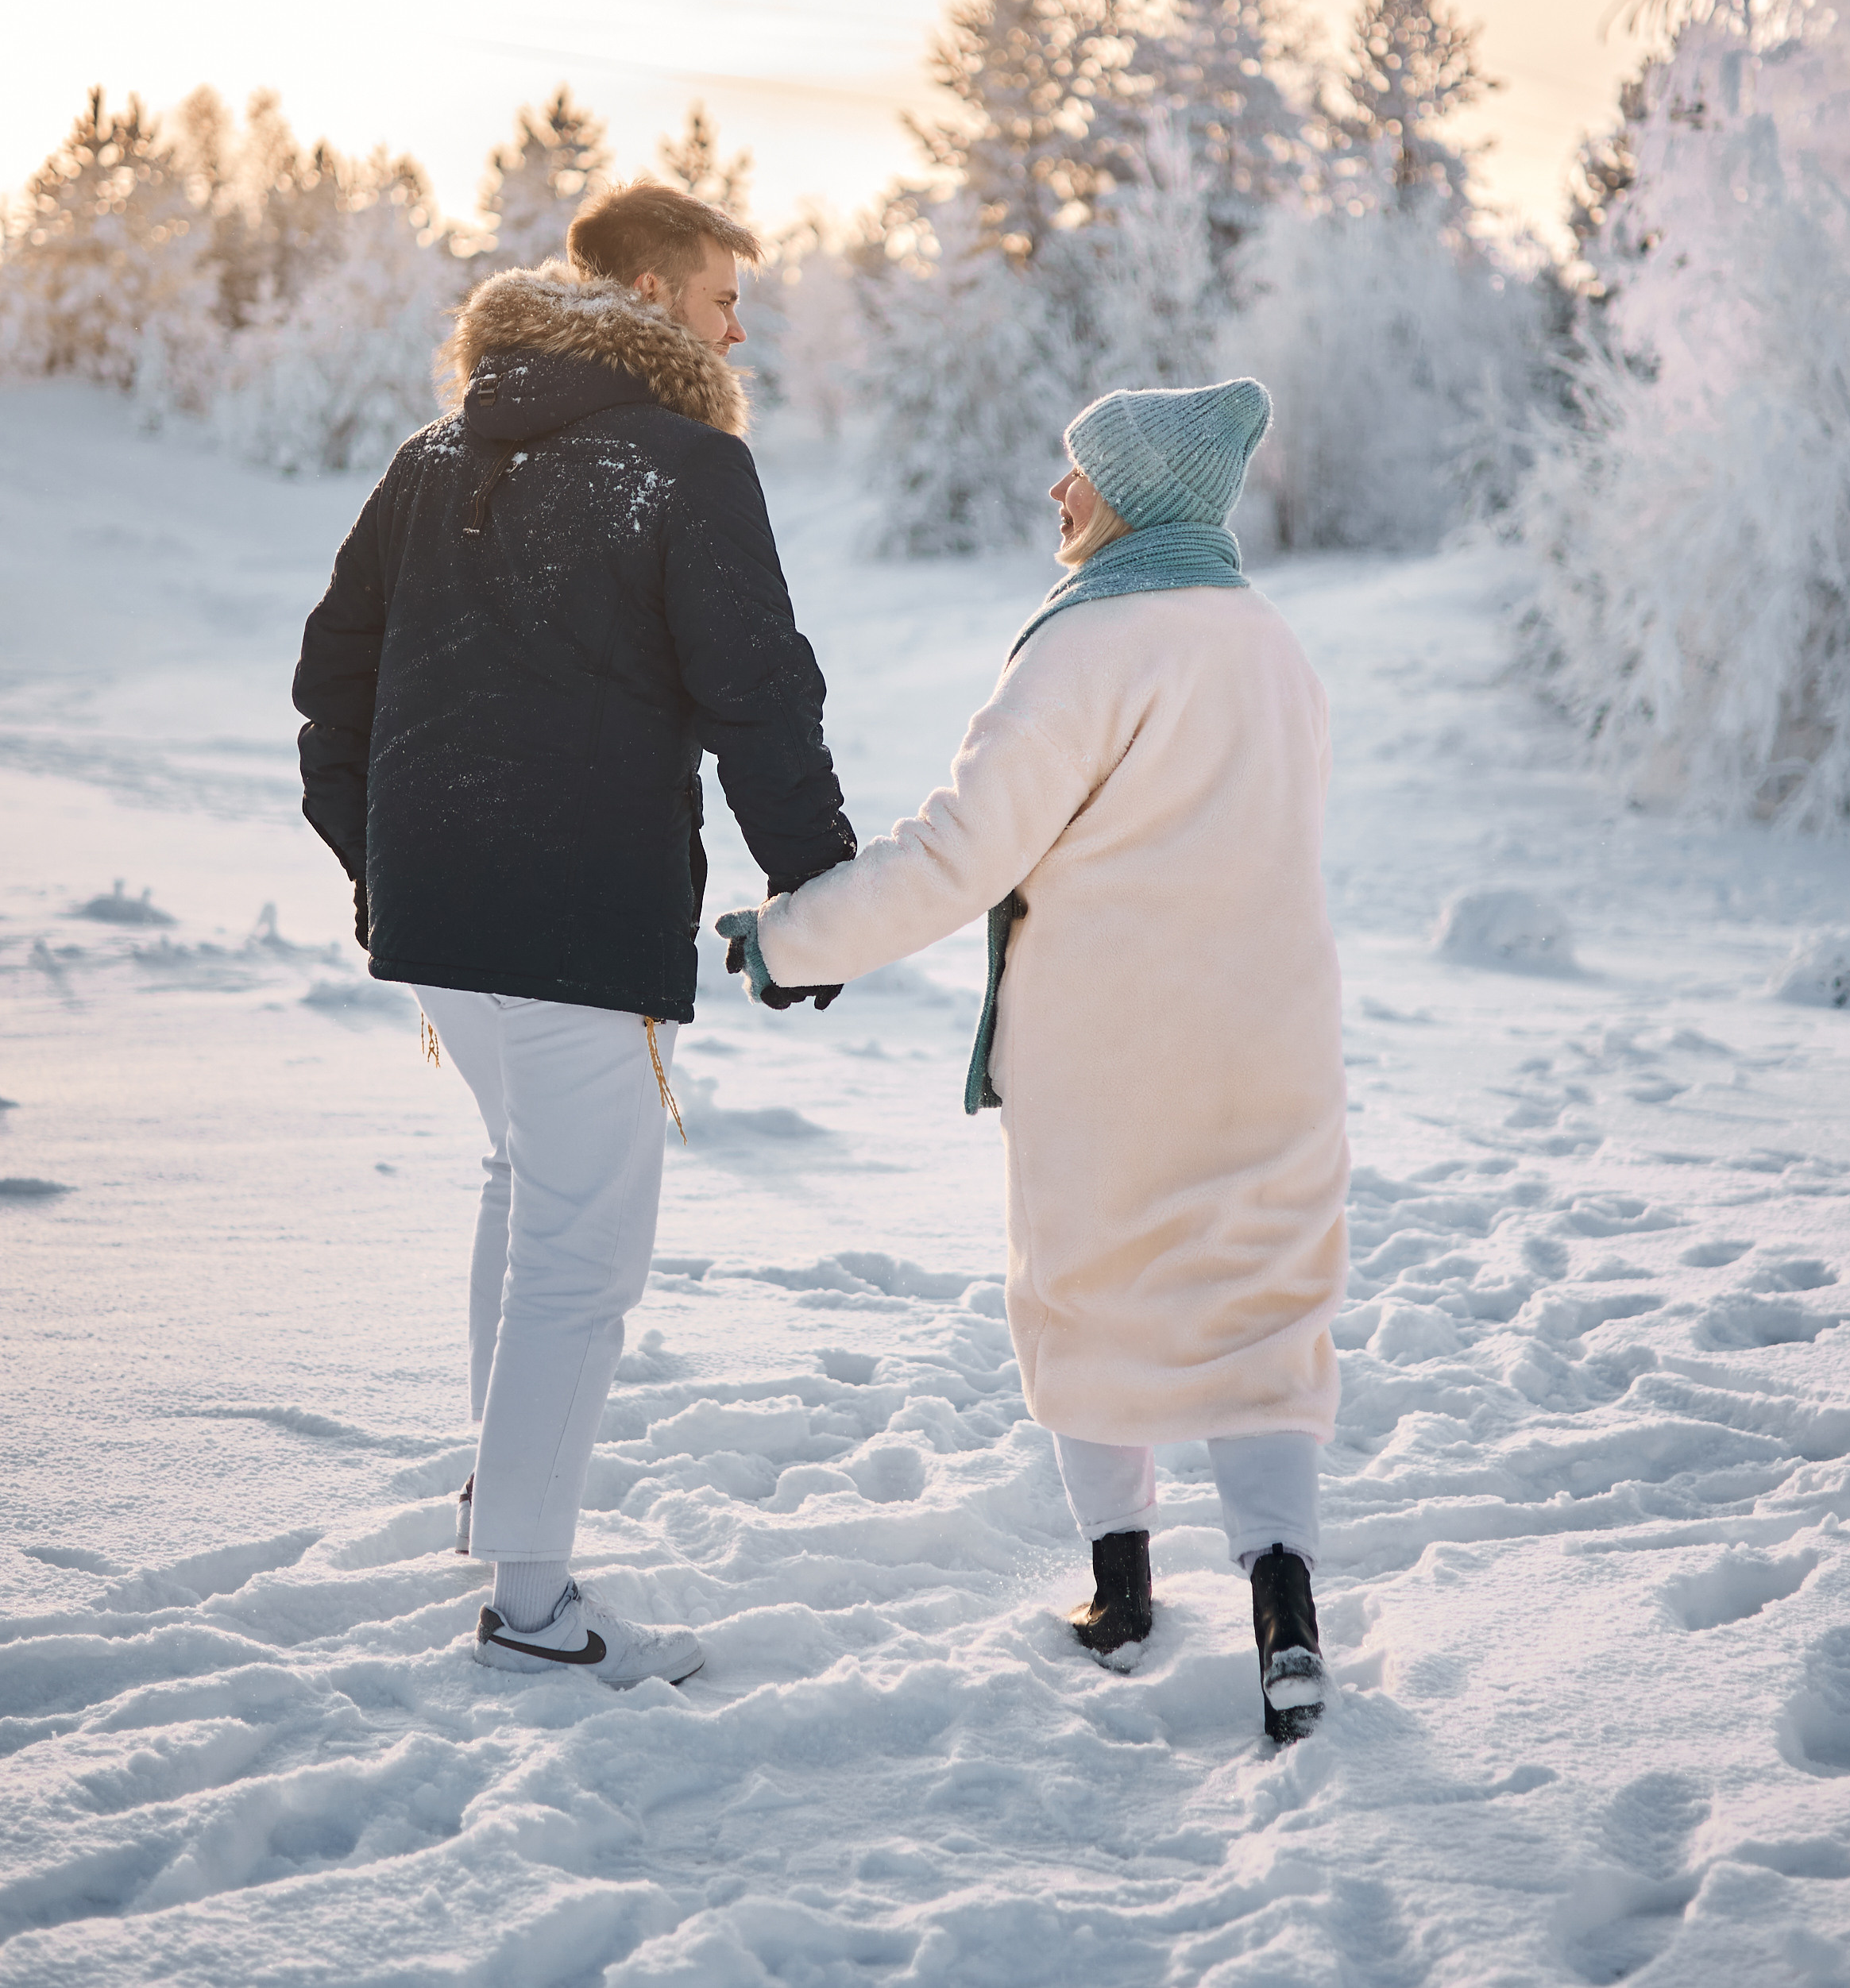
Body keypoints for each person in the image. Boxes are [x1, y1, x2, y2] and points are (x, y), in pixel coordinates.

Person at [718, 379, 1346, 1745]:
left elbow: (963, 850)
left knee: (1081, 1294)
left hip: (1110, 1054)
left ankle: (1120, 1594)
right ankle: (1283, 1613)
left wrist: (792, 939)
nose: (1057, 494)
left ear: (1135, 497)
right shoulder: (1269, 644)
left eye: (1080, 473)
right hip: (1275, 1036)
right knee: (1261, 1311)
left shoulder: (1089, 644)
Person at [292, 179, 853, 1689]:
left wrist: (390, 858)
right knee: (584, 1245)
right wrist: (818, 890)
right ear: (659, 297)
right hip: (564, 913)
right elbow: (758, 692)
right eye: (728, 296)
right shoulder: (684, 462)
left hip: (440, 920)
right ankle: (532, 1612)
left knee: (524, 1184)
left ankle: (500, 1506)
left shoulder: (434, 454)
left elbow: (327, 678)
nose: (744, 326)